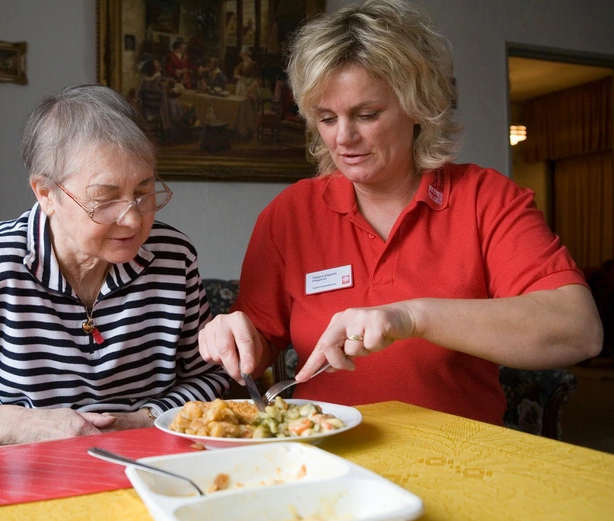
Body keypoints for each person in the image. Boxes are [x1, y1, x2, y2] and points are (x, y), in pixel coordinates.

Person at [198, 0, 603, 425]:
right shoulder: (290, 214)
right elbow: (259, 339)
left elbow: (579, 329)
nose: (344, 138)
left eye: (366, 114)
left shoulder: (485, 199)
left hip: (461, 455)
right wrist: (232, 333)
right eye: (327, 118)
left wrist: (412, 317)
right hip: (327, 450)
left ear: (417, 106)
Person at [0, 84, 229, 449]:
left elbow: (207, 375)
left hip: (145, 468)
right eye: (105, 199)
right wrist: (18, 425)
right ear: (46, 193)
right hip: (29, 477)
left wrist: (145, 418)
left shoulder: (172, 257)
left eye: (144, 192)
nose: (133, 220)